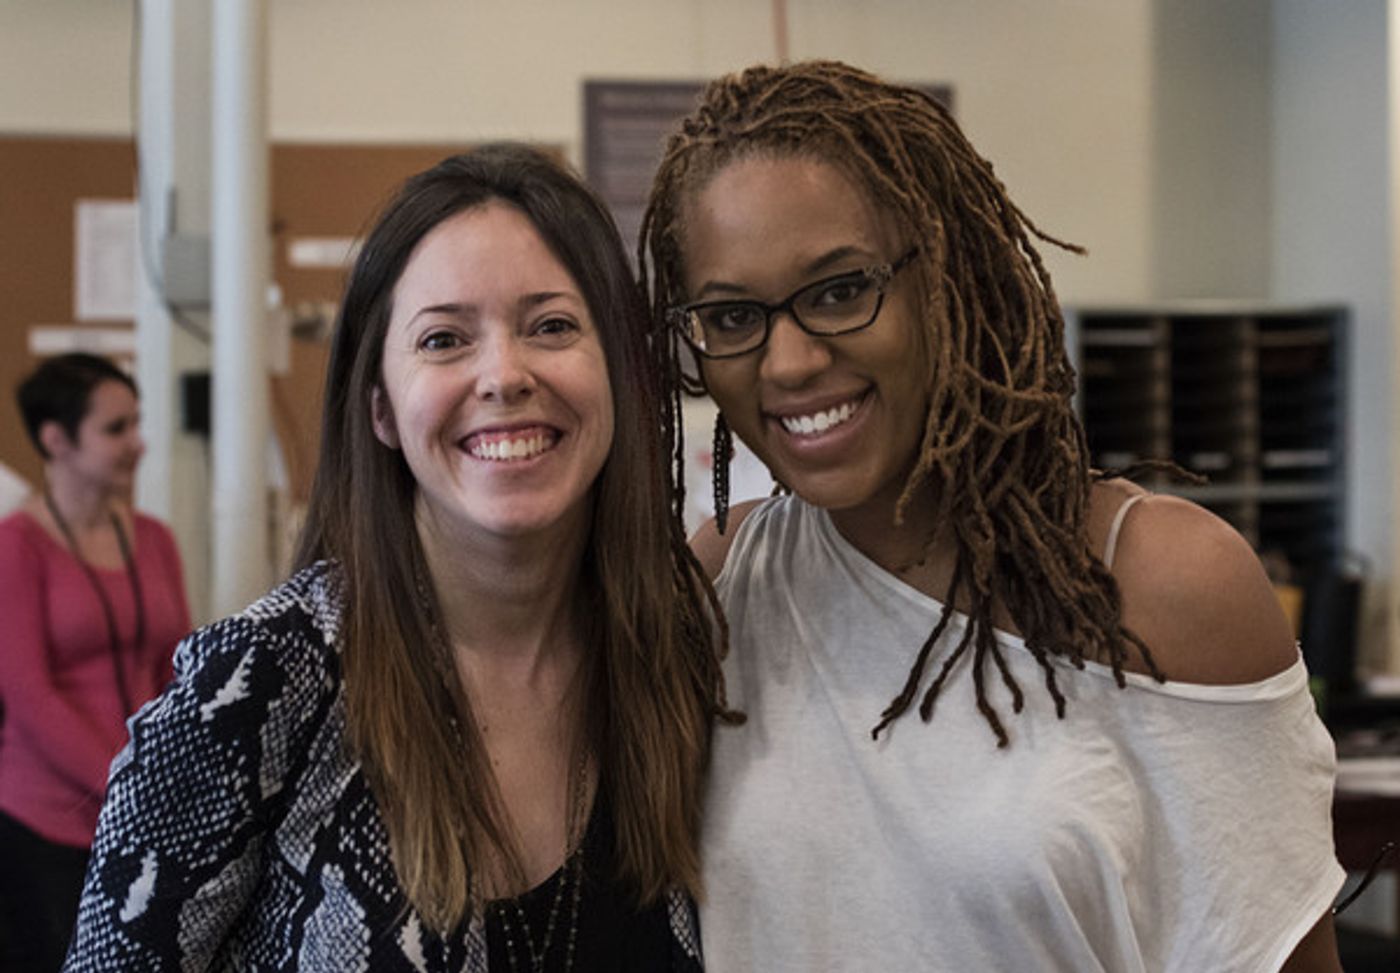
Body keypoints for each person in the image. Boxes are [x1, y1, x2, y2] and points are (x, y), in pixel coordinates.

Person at [639, 60, 1345, 972]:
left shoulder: (1165, 583)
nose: (789, 361)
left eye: (841, 289)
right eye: (734, 315)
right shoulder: (727, 580)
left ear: (948, 276)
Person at [64, 144, 726, 971]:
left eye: (552, 326)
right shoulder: (254, 690)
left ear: (622, 373)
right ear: (380, 406)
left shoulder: (676, 660)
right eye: (444, 338)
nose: (503, 374)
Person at [0, 353, 191, 971]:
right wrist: (125, 783)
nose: (138, 443)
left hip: (139, 816)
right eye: (115, 429)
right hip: (47, 824)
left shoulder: (155, 538)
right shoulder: (16, 546)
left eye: (136, 423)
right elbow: (30, 696)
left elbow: (176, 670)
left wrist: (174, 773)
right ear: (56, 440)